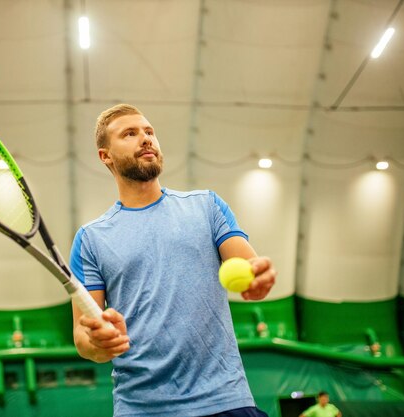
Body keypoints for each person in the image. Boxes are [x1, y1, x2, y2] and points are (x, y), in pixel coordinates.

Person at [70, 104, 276, 417]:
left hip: (226, 400)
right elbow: (83, 338)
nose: (145, 139)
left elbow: (249, 264)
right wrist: (99, 342)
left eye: (149, 132)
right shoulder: (91, 238)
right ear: (105, 156)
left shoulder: (206, 206)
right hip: (142, 408)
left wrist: (259, 277)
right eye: (130, 133)